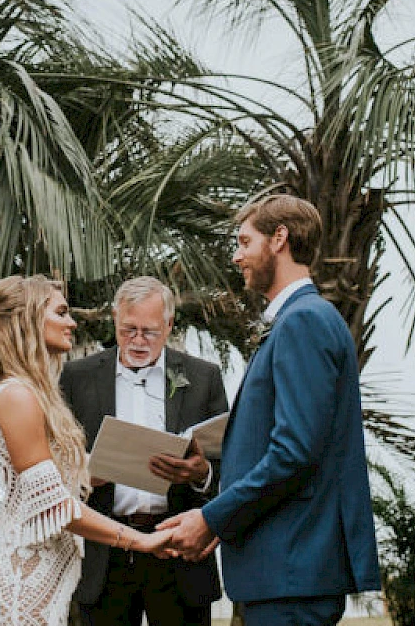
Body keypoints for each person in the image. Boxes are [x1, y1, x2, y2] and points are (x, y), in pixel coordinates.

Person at [158, 195, 380, 626]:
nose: (237, 256)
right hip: (285, 572)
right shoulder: (302, 320)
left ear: (279, 239)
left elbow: (293, 453)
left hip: (292, 570)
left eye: (244, 241)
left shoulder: (304, 322)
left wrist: (211, 518)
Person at [0, 275, 173, 626]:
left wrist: (143, 456)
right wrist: (139, 541)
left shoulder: (36, 392)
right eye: (61, 312)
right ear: (30, 319)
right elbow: (55, 505)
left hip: (48, 574)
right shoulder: (17, 396)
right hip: (24, 576)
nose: (72, 322)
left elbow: (65, 480)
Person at [60, 277, 228, 626]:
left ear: (169, 324)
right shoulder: (77, 377)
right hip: (106, 556)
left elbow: (228, 466)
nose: (137, 341)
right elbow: (56, 463)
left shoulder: (203, 377)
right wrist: (84, 476)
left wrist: (201, 474)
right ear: (114, 319)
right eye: (128, 330)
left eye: (149, 331)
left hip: (178, 552)